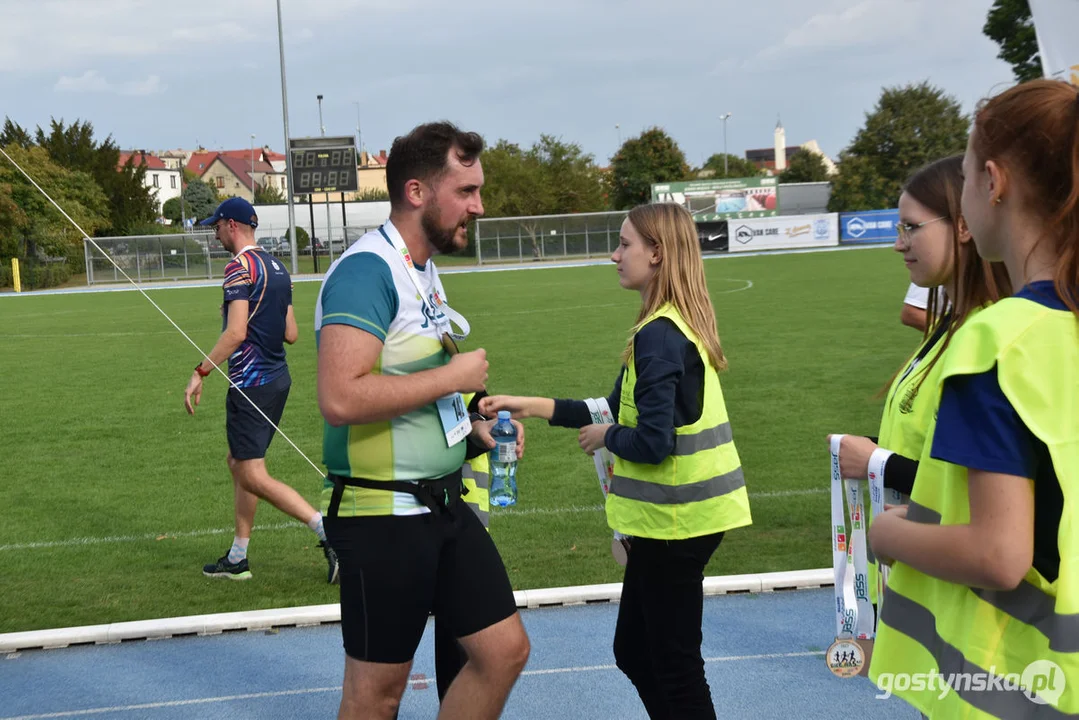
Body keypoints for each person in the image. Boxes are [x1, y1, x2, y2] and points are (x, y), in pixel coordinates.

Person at [482, 202, 752, 720]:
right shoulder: (665, 326)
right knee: (636, 652)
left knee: (673, 664)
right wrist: (531, 406)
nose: (614, 254)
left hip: (676, 524)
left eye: (624, 243)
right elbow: (612, 407)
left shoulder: (659, 335)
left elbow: (652, 442)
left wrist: (608, 435)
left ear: (657, 253)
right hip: (679, 522)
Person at [868, 79, 1079, 717]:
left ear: (993, 182)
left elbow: (997, 553)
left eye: (961, 178)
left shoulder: (997, 340)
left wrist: (885, 533)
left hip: (1014, 685)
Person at [315, 122, 529, 720]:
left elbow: (418, 390)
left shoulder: (421, 269)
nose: (478, 206)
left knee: (503, 651)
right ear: (416, 191)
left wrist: (474, 431)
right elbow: (340, 396)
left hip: (441, 504)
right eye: (465, 191)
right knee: (376, 696)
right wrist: (452, 378)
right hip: (382, 516)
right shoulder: (367, 271)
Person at [183, 197, 338, 584]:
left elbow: (235, 333)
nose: (215, 232)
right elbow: (291, 333)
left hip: (251, 384)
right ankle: (238, 556)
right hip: (277, 380)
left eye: (216, 226)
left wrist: (200, 371)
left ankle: (325, 529)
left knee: (249, 472)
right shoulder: (277, 266)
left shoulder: (238, 267)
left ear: (232, 225)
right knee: (239, 464)